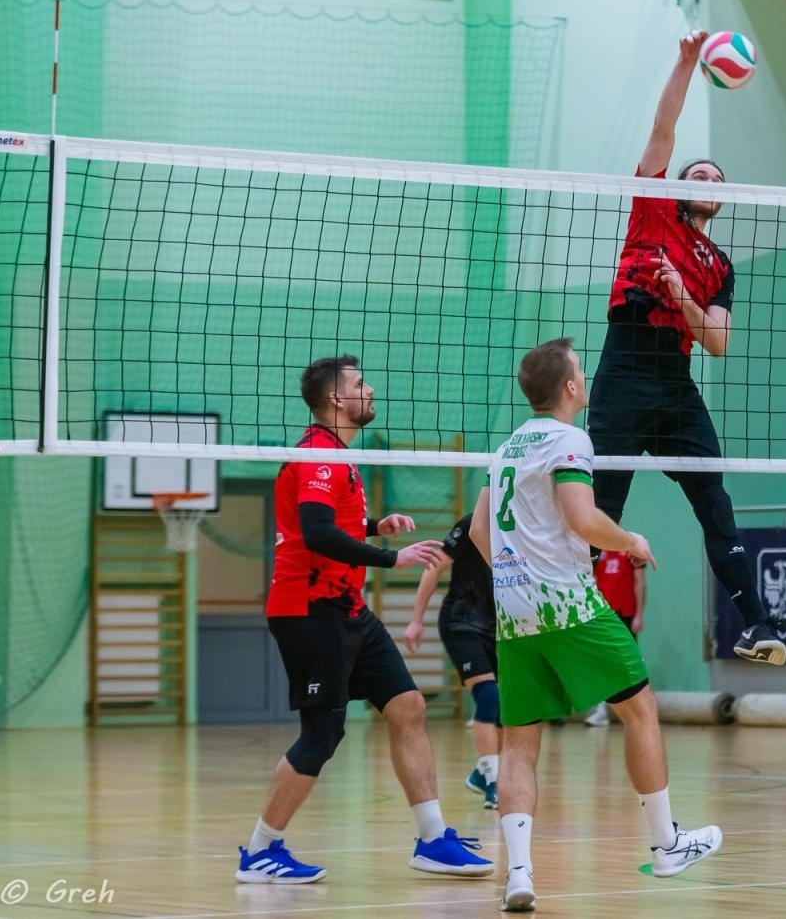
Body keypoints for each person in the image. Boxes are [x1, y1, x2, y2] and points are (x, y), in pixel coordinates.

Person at [473, 337, 721, 911]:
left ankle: (519, 874)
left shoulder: (506, 448)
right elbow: (583, 519)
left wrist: (517, 575)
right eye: (580, 371)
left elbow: (482, 532)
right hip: (568, 604)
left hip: (515, 611)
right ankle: (665, 846)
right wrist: (631, 539)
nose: (585, 379)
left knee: (520, 741)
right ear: (568, 388)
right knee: (639, 708)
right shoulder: (569, 439)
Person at [236, 355, 493, 884]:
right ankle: (260, 851)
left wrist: (376, 525)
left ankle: (431, 840)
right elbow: (315, 532)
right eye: (359, 384)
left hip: (346, 607)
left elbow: (333, 523)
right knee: (323, 734)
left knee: (407, 706)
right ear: (336, 399)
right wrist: (391, 556)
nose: (369, 389)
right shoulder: (319, 457)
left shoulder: (334, 457)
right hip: (309, 610)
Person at [587, 30, 784, 666]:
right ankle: (562, 614)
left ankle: (757, 624)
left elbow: (717, 343)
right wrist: (684, 62)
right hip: (624, 366)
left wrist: (683, 299)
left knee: (713, 498)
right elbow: (663, 129)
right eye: (694, 172)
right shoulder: (653, 211)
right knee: (602, 501)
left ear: (721, 199)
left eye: (712, 176)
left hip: (675, 383)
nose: (701, 177)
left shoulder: (722, 265)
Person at [403, 513, 501, 808]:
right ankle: (495, 782)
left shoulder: (524, 526)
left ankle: (481, 773)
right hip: (461, 621)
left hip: (498, 626)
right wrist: (416, 619)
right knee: (488, 698)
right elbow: (435, 565)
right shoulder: (474, 523)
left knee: (506, 708)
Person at [584, 547, 648, 727]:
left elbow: (639, 582)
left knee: (628, 663)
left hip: (626, 614)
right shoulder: (598, 551)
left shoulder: (629, 549)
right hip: (604, 615)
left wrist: (639, 615)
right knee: (601, 662)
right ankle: (601, 711)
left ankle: (637, 710)